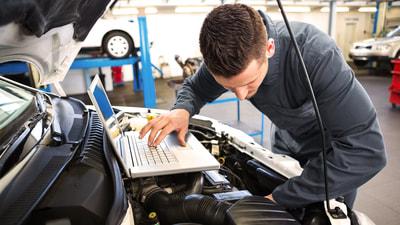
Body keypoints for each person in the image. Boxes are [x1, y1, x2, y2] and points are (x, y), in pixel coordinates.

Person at [140, 4, 386, 209]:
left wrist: (278, 199)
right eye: (229, 87)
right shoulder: (226, 57)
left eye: (249, 83)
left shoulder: (316, 56)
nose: (241, 96)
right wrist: (181, 110)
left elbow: (366, 151)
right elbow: (195, 88)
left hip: (332, 159)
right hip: (285, 146)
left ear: (269, 48)